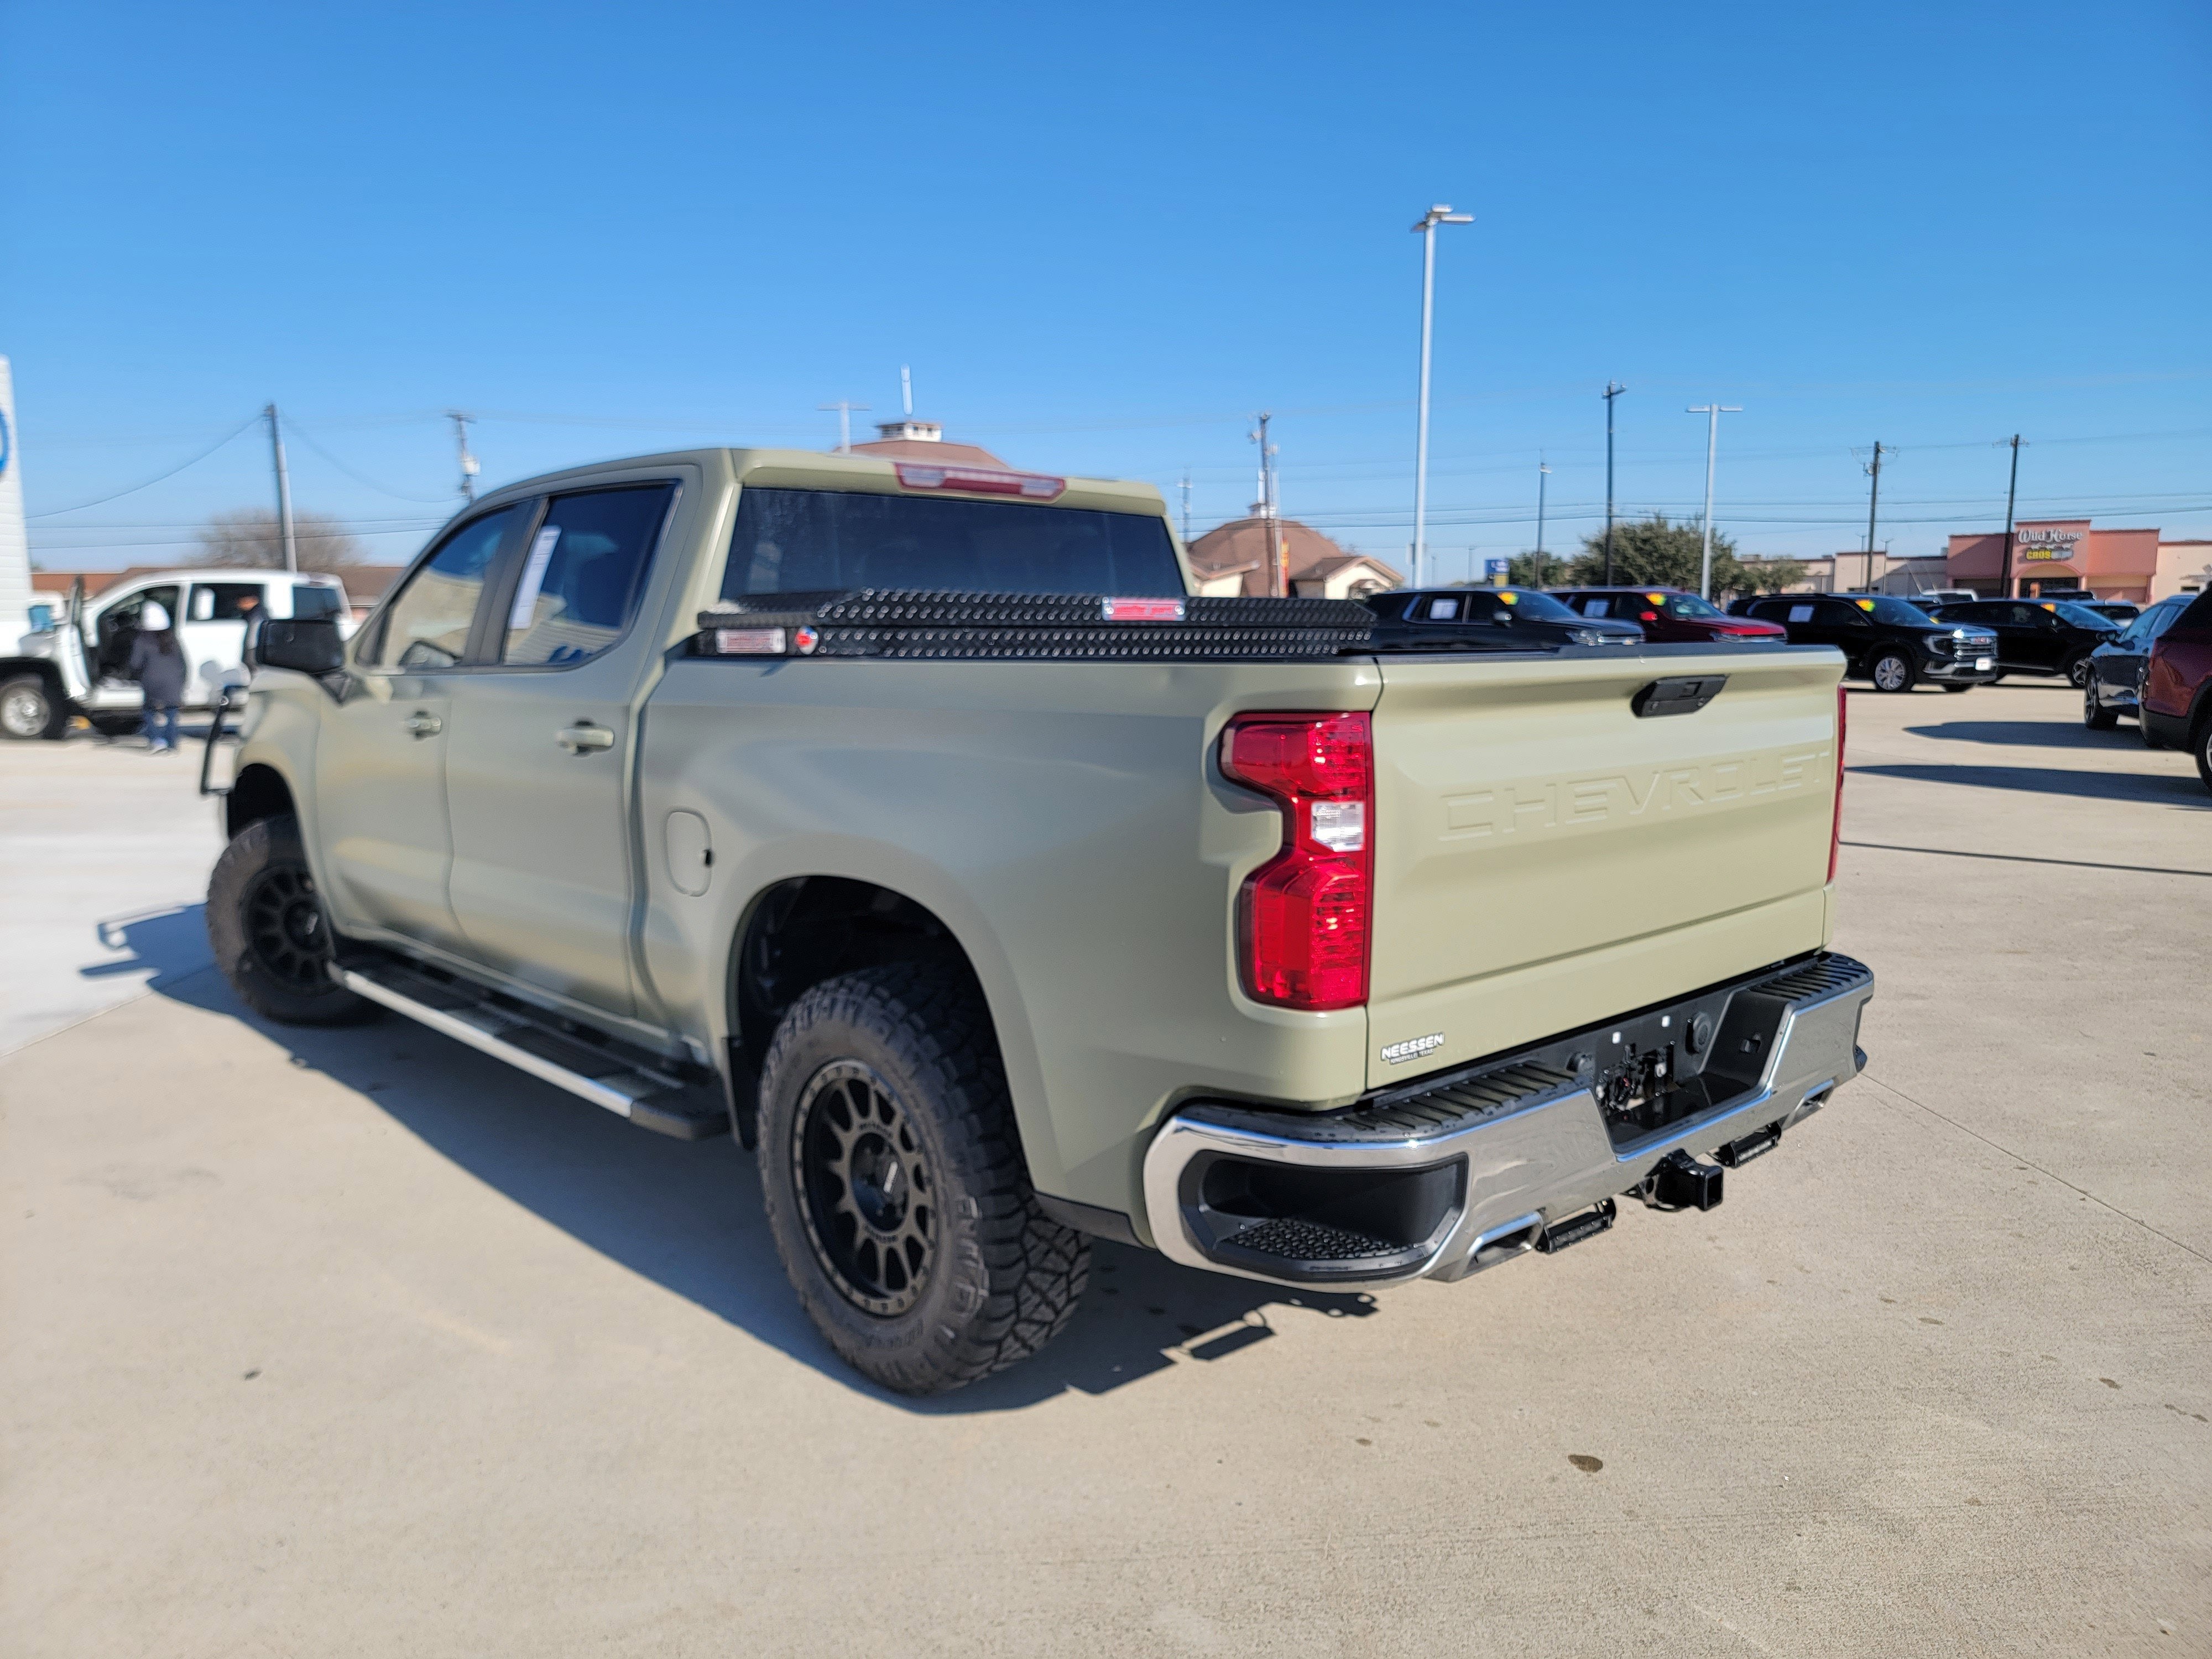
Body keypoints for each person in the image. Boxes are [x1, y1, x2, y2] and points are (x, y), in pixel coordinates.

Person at [128, 602, 187, 754]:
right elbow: (183, 662)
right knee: (172, 712)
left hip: (151, 681)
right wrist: (182, 681)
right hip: (174, 681)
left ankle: (156, 740)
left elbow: (135, 663)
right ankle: (172, 743)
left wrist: (133, 676)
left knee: (148, 711)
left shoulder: (142, 640)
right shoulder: (172, 638)